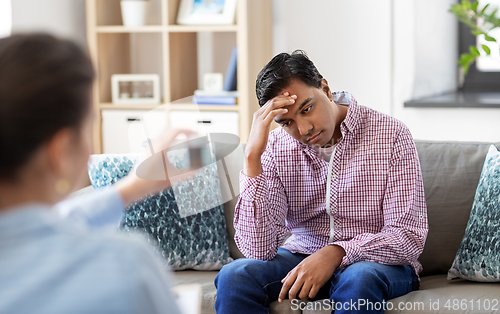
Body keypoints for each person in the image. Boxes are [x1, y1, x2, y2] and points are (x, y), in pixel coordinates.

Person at [214, 50, 428, 314]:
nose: (304, 129)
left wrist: (337, 252)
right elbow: (258, 250)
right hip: (302, 256)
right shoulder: (275, 149)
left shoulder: (391, 135)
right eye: (287, 122)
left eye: (307, 108)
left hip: (375, 264)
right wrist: (252, 158)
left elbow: (408, 237)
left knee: (359, 278)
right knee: (235, 276)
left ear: (325, 88)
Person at [0, 34, 191, 314]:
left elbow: (52, 222)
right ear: (62, 151)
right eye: (89, 126)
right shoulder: (124, 266)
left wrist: (131, 188)